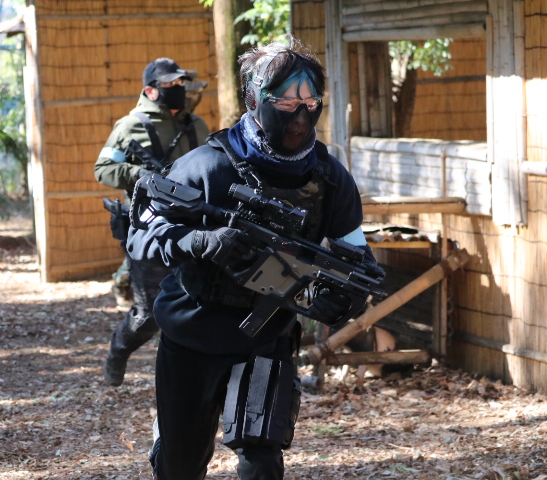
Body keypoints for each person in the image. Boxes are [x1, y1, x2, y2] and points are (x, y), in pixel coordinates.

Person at [127, 39, 383, 480]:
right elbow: (141, 234)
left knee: (262, 464)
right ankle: (167, 438)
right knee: (180, 465)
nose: (300, 115)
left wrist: (343, 300)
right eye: (285, 102)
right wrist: (200, 241)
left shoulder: (330, 178)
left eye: (310, 102)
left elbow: (357, 259)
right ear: (253, 100)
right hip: (193, 333)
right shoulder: (206, 166)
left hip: (267, 337)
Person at [94, 58, 210, 386]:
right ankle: (119, 350)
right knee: (148, 315)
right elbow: (103, 169)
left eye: (180, 83)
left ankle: (190, 378)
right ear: (151, 90)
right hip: (150, 229)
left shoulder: (197, 125)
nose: (178, 89)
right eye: (170, 84)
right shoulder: (129, 126)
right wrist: (139, 174)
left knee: (201, 304)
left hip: (195, 227)